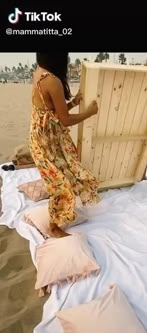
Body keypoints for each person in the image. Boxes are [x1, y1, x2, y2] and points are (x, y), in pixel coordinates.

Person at [30, 53, 100, 238]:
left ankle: (59, 216)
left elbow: (52, 113)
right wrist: (90, 112)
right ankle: (54, 227)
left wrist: (73, 103)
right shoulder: (52, 81)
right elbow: (65, 120)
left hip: (44, 138)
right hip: (45, 143)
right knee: (62, 185)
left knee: (66, 175)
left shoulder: (40, 73)